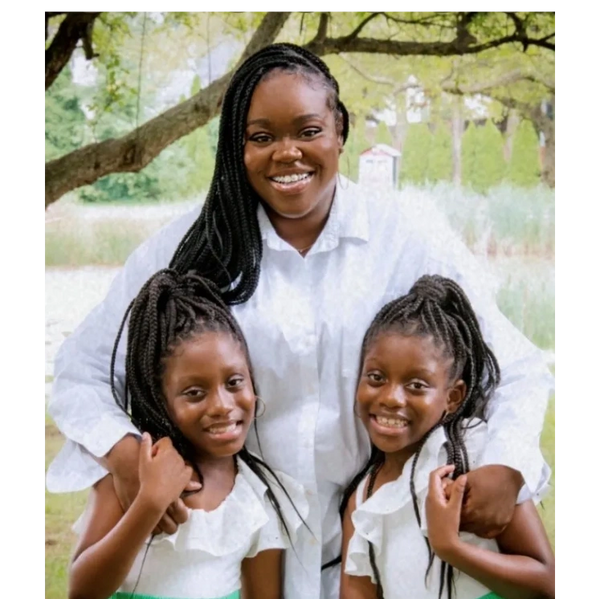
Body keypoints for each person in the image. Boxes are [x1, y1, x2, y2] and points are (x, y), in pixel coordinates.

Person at [48, 44, 553, 599]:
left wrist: (507, 466)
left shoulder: (407, 235)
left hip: (378, 560)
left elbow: (517, 369)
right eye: (261, 137)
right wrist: (125, 457)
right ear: (236, 147)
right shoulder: (190, 244)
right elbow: (81, 371)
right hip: (238, 563)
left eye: (308, 130)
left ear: (340, 129)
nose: (286, 153)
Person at [68, 270, 307, 599]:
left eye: (234, 382)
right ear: (159, 397)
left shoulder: (255, 495)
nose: (222, 405)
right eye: (195, 393)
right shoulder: (131, 475)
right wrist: (149, 504)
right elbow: (82, 591)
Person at [340, 275, 558, 599]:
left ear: (452, 398)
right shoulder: (364, 502)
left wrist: (450, 547)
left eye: (416, 385)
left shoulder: (475, 457)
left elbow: (547, 583)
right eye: (376, 377)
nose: (391, 397)